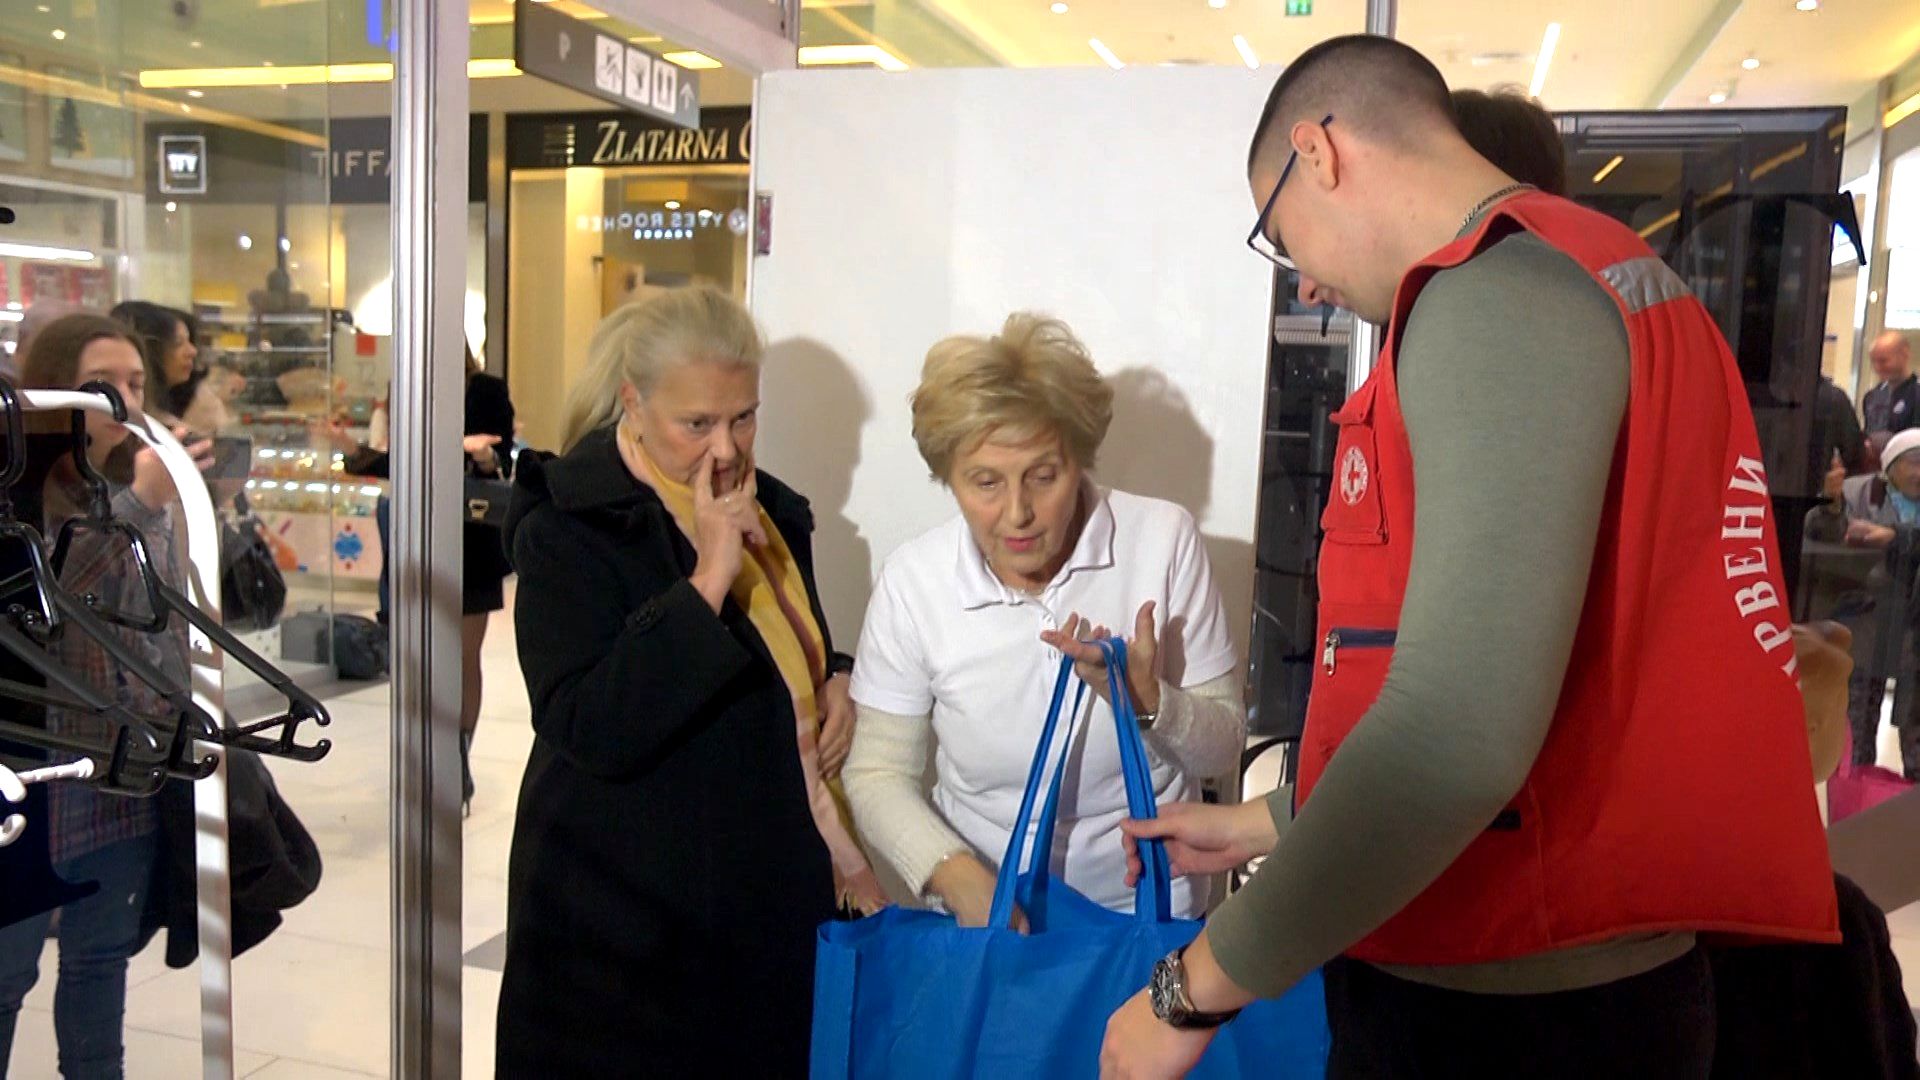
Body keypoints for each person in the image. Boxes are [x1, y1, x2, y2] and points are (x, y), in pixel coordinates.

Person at [1099, 36, 1835, 1078]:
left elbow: (1457, 734)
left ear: (1320, 152)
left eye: (1277, 231)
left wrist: (1194, 989)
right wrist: (1274, 819)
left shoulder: (1494, 301)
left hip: (1509, 999)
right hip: (1574, 969)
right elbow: (1556, 671)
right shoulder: (1601, 272)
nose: (1302, 277)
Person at [495, 286, 883, 1077]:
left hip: (756, 901)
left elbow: (788, 653)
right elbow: (589, 725)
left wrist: (835, 676)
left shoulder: (770, 509)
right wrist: (707, 578)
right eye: (696, 423)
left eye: (743, 416)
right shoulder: (568, 522)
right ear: (632, 402)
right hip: (621, 920)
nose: (726, 448)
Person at [844, 313, 1245, 926]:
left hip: (1146, 921)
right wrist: (957, 877)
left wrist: (1148, 701)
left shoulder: (1161, 542)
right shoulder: (914, 583)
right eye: (984, 482)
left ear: (1079, 458)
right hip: (989, 921)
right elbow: (876, 772)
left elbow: (1221, 749)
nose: (1018, 512)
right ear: (946, 476)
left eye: (1043, 475)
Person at [0, 314, 212, 1079]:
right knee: (7, 975)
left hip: (120, 776)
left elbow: (165, 620)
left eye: (136, 384)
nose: (126, 402)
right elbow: (48, 598)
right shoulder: (17, 493)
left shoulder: (143, 486)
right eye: (104, 386)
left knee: (100, 968)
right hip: (29, 781)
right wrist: (142, 507)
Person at [319, 350, 517, 812]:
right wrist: (352, 450)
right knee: (420, 657)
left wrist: (484, 455)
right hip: (415, 536)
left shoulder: (484, 389)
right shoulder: (406, 388)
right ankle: (424, 759)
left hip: (471, 537)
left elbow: (502, 460)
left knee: (464, 657)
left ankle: (457, 762)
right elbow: (400, 465)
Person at [1805, 427, 1920, 777]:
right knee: (1856, 726)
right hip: (1866, 622)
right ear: (1890, 466)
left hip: (1914, 634)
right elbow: (1822, 535)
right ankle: (1854, 801)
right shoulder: (1858, 491)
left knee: (1915, 731)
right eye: (1913, 463)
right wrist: (1833, 507)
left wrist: (1897, 537)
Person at [1863, 330, 1918, 456]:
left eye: (1883, 361)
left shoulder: (1916, 394)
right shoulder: (1872, 397)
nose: (1877, 367)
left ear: (1904, 355)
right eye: (1873, 361)